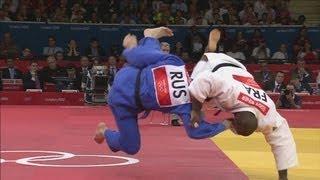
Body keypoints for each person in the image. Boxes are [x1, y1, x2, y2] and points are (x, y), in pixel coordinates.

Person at [94, 27, 228, 155]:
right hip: (126, 86)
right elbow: (196, 131)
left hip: (126, 103)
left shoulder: (178, 71)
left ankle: (104, 131)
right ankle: (150, 37)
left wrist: (226, 125)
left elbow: (195, 130)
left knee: (131, 146)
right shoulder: (178, 71)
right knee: (146, 57)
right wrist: (131, 50)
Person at [189, 29, 298, 180]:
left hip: (241, 70)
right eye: (235, 126)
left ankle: (212, 51)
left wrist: (283, 177)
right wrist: (195, 110)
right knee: (194, 84)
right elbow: (203, 81)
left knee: (207, 97)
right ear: (237, 116)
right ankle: (210, 50)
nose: (233, 128)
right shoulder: (229, 92)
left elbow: (282, 142)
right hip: (217, 67)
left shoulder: (267, 116)